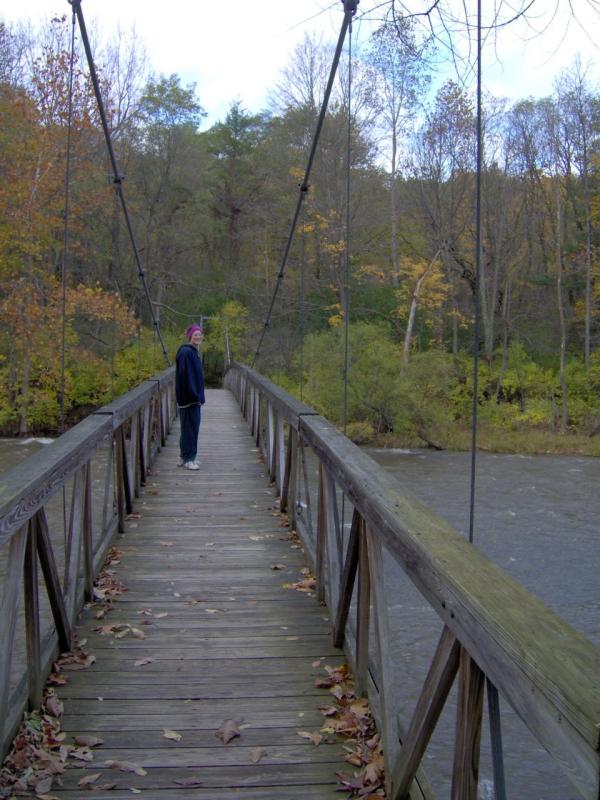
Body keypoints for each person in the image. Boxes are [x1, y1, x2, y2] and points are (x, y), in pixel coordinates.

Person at [175, 324, 205, 470]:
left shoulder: (192, 352)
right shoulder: (187, 353)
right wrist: (195, 396)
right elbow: (187, 377)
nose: (198, 337)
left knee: (187, 428)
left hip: (189, 399)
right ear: (190, 336)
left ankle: (184, 456)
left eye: (200, 334)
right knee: (191, 428)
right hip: (190, 399)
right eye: (195, 334)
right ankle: (189, 459)